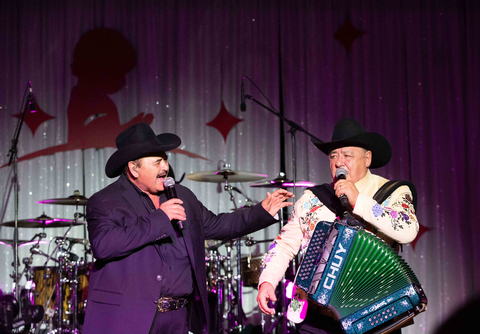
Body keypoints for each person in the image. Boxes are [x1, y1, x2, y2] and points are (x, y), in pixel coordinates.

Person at [82, 122, 294, 334]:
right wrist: (161, 218)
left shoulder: (181, 195)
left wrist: (262, 211)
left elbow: (217, 225)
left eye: (164, 159)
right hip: (130, 319)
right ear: (133, 168)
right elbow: (104, 245)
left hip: (178, 318)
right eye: (157, 162)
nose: (165, 167)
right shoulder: (106, 201)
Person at [257, 118, 419, 334]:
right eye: (333, 155)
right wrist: (267, 280)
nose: (339, 162)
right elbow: (285, 244)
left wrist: (359, 201)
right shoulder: (312, 198)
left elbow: (407, 230)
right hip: (317, 318)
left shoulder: (392, 193)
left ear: (367, 158)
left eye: (347, 155)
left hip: (376, 315)